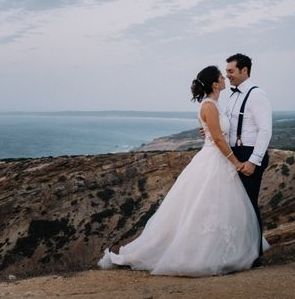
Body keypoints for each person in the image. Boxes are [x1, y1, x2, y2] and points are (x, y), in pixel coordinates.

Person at [97, 65, 261, 276]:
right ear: (214, 83)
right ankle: (198, 255)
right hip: (213, 160)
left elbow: (217, 132)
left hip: (218, 160)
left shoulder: (216, 105)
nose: (224, 79)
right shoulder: (209, 106)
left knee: (216, 207)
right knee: (204, 207)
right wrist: (236, 162)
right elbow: (218, 139)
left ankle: (221, 250)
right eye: (221, 76)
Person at [225, 53, 272, 263]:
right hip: (235, 154)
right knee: (236, 206)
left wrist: (254, 161)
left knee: (249, 206)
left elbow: (265, 130)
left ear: (244, 70)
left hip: (249, 154)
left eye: (231, 71)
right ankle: (241, 252)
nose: (227, 76)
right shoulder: (233, 95)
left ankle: (255, 256)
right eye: (226, 71)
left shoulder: (256, 94)